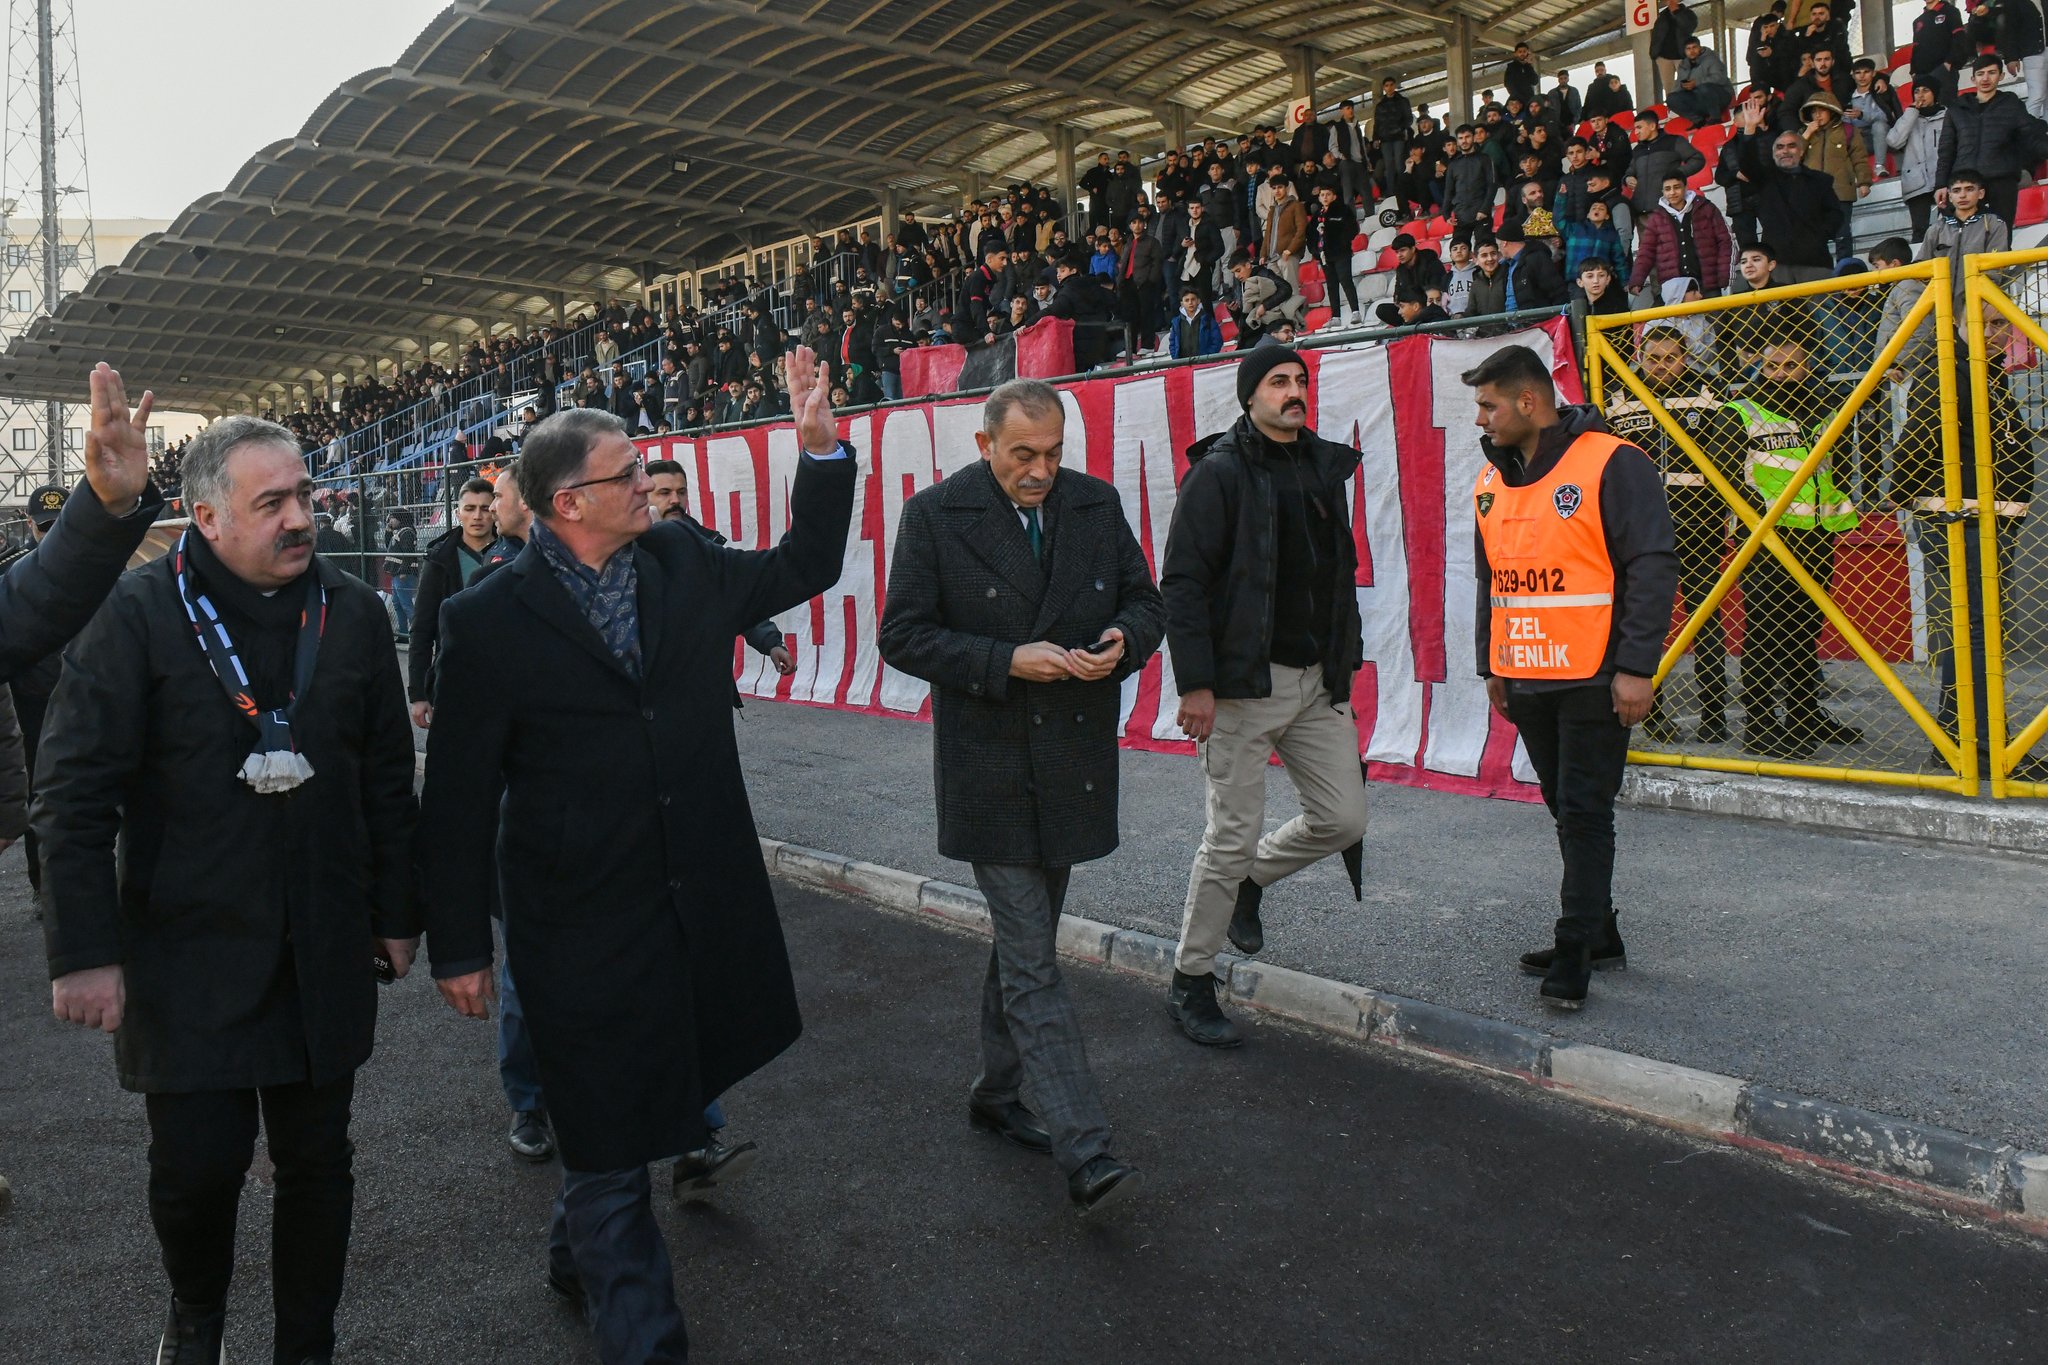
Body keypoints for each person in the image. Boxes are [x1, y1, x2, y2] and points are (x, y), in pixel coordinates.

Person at [416, 350, 855, 1363]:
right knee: (611, 1144)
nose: (647, 477)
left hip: (689, 902)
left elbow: (806, 565)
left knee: (626, 1122)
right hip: (569, 923)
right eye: (628, 470)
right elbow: (457, 800)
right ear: (571, 501)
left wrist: (819, 446)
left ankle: (577, 1246)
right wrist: (456, 948)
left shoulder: (684, 563)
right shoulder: (481, 622)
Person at [39, 414, 420, 1365]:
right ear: (205, 516)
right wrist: (86, 952)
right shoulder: (134, 617)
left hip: (322, 944)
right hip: (185, 953)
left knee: (318, 1164)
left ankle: (307, 1344)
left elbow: (385, 777)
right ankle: (196, 1315)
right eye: (274, 503)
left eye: (306, 495)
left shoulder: (356, 615)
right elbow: (73, 796)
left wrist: (397, 913)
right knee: (198, 1171)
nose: (303, 518)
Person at [876, 377, 1164, 1212]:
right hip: (991, 768)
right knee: (1036, 958)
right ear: (984, 446)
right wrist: (1007, 661)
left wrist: (1122, 641)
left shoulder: (1096, 505)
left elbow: (1147, 602)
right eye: (1022, 456)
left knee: (1022, 942)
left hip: (1071, 763)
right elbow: (902, 634)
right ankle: (1086, 1145)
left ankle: (997, 1092)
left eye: (1054, 453)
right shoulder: (935, 515)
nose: (1041, 471)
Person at [1159, 343, 1371, 1048]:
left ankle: (1252, 879)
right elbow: (1183, 583)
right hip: (1244, 686)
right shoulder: (1218, 473)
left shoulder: (1322, 465)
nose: (1293, 391)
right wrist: (1195, 682)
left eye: (1300, 380)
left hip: (1317, 684)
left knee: (1342, 818)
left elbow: (1337, 574)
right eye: (1278, 381)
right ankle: (1192, 977)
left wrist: (1346, 656)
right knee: (1228, 837)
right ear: (1250, 396)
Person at [1464, 345, 1678, 1009]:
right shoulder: (1491, 481)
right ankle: (1602, 930)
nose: (1482, 419)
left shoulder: (1614, 462)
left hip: (1594, 675)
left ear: (1529, 400)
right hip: (1526, 674)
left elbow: (1652, 566)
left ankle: (1576, 948)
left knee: (1585, 811)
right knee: (1565, 806)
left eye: (1489, 404)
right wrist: (1491, 664)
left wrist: (1636, 668)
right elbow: (1491, 580)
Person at [1722, 308, 1864, 759]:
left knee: (1807, 629)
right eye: (1771, 366)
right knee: (1766, 631)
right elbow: (1725, 480)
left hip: (1818, 535)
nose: (1780, 375)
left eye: (1791, 366)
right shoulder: (1739, 413)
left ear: (1808, 366)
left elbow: (1837, 471)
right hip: (1766, 540)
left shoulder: (1823, 412)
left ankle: (1804, 713)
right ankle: (1762, 724)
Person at [1608, 326, 1748, 744]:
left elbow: (1727, 454)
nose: (1662, 366)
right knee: (1644, 623)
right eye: (1654, 358)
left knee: (1706, 622)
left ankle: (1714, 715)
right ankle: (1655, 716)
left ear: (1686, 356)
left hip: (1699, 522)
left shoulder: (1710, 392)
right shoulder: (1619, 396)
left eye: (1671, 358)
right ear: (1640, 355)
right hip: (1639, 531)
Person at [645, 458, 797, 680]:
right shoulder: (624, 548)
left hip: (704, 684)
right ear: (643, 495)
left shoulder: (707, 548)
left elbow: (737, 597)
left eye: (681, 492)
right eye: (664, 492)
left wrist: (771, 643)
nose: (675, 500)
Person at [406, 477, 499, 728]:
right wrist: (418, 694)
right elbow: (422, 627)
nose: (477, 516)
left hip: (505, 680)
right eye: (470, 508)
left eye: (485, 508)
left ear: (495, 511)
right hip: (454, 680)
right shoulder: (439, 560)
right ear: (458, 513)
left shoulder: (514, 553)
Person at [1729, 94, 1848, 280]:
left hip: (1815, 263)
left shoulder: (1820, 181)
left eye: (1792, 146)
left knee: (1822, 309)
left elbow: (1835, 214)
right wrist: (1750, 128)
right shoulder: (1765, 178)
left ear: (1801, 151)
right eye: (1780, 147)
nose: (1785, 151)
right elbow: (1747, 164)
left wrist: (1818, 237)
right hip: (1778, 265)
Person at [1934, 53, 2048, 227]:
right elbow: (1946, 150)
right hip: (1965, 181)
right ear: (1973, 78)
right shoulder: (1956, 109)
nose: (1985, 78)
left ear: (2001, 76)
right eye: (1980, 74)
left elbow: (2031, 137)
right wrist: (1941, 184)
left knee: (2001, 236)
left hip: (2002, 180)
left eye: (1991, 72)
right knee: (1962, 237)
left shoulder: (2012, 104)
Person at [1632, 172, 1734, 298]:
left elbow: (1726, 240)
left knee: (1715, 318)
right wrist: (1637, 280)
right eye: (1667, 189)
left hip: (1709, 283)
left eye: (1677, 187)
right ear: (1662, 191)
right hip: (1675, 288)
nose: (1672, 192)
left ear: (1685, 188)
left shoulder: (1706, 208)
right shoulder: (1656, 218)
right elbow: (1646, 251)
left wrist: (1725, 274)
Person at [1798, 94, 1873, 262]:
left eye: (1821, 110)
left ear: (1831, 111)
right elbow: (1794, 158)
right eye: (1814, 112)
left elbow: (1859, 158)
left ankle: (1844, 271)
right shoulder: (1804, 133)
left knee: (1842, 235)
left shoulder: (1848, 131)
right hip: (1813, 195)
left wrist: (1864, 182)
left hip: (1841, 193)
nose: (1817, 115)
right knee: (1816, 237)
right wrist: (1808, 133)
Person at [1888, 80, 1949, 240]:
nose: (1920, 95)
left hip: (1944, 180)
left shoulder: (1948, 116)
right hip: (1916, 183)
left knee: (1950, 225)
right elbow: (1893, 141)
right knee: (1920, 230)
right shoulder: (1908, 118)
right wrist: (1910, 113)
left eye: (1925, 90)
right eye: (1916, 91)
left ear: (1934, 94)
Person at [1225, 248, 1306, 348]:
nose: (1237, 275)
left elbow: (1286, 288)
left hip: (1264, 329)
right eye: (1234, 273)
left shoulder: (1263, 273)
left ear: (1248, 265)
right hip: (1249, 332)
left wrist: (1265, 306)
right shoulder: (1238, 284)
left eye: (1238, 270)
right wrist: (1234, 311)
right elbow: (1244, 315)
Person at [1308, 183, 1362, 325]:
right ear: (1319, 198)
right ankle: (1336, 317)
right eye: (1322, 195)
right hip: (1324, 255)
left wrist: (1342, 242)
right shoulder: (1316, 215)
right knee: (1331, 285)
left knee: (1345, 280)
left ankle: (1356, 312)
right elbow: (1310, 234)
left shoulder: (1343, 210)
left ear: (1334, 196)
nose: (1325, 197)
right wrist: (1314, 250)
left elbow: (1352, 229)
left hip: (1340, 252)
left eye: (1328, 194)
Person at [1671, 36, 1736, 124]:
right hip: (1699, 98)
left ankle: (1716, 118)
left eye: (1694, 47)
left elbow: (1720, 78)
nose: (1692, 51)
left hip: (1721, 97)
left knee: (1704, 87)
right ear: (1685, 51)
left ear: (1700, 48)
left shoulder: (1711, 58)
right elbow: (1678, 84)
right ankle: (1698, 121)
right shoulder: (1683, 65)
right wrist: (1683, 86)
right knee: (1672, 98)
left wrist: (1696, 83)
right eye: (1688, 49)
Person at [1651, 0, 1700, 97]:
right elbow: (1656, 36)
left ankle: (1691, 108)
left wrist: (1676, 12)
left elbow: (1689, 26)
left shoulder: (1688, 13)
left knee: (1688, 85)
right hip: (1663, 57)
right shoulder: (1662, 17)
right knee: (1669, 89)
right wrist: (1654, 53)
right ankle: (1672, 109)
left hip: (1682, 56)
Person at [1167, 288, 1223, 358]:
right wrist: (1176, 358)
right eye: (1187, 300)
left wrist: (1207, 357)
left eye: (1193, 299)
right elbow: (1172, 343)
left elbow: (1217, 341)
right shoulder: (1176, 322)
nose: (1190, 302)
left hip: (1205, 363)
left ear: (1198, 301)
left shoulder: (1208, 319)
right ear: (1182, 303)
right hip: (1183, 364)